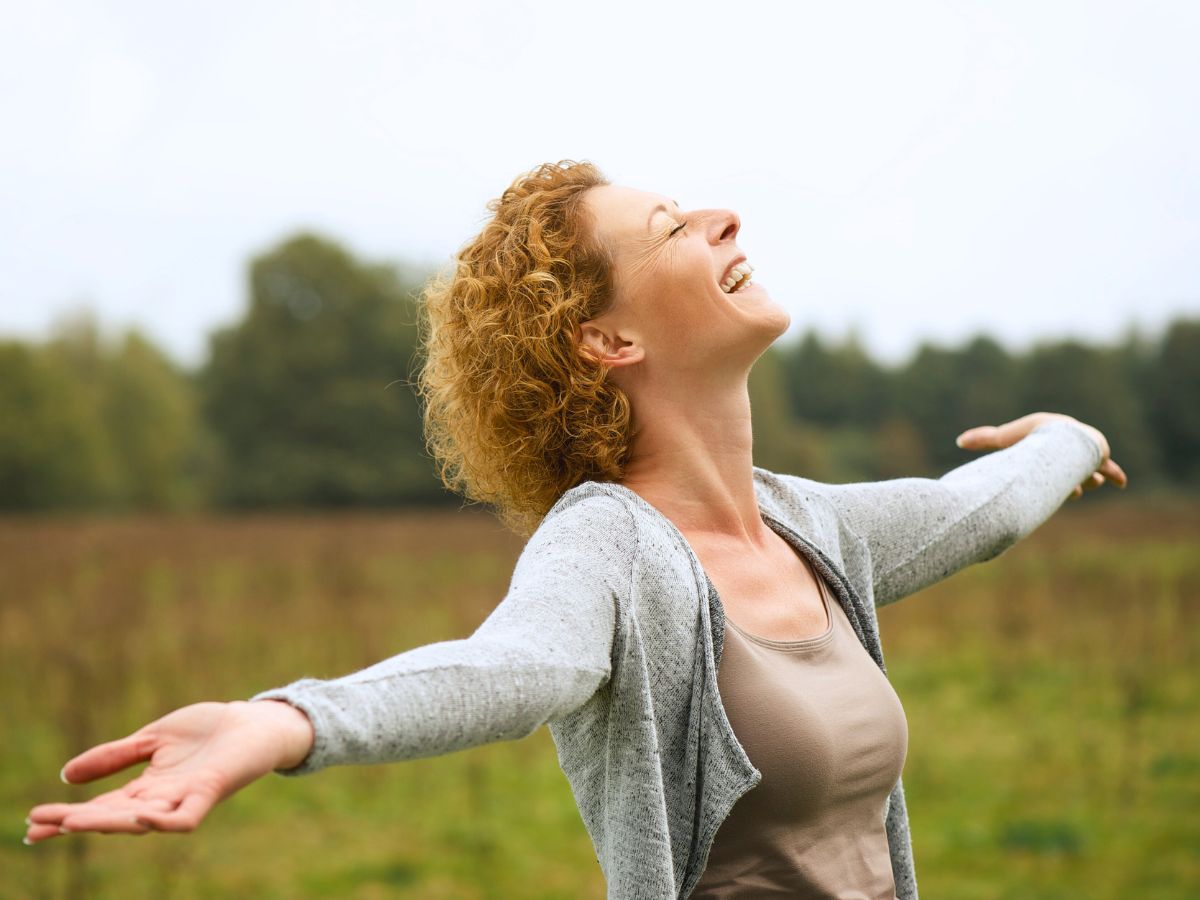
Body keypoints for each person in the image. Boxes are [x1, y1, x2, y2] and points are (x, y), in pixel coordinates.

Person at [24, 161, 1125, 900]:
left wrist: (1068, 437)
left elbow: (975, 508)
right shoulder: (611, 546)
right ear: (606, 339)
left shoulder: (809, 525)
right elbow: (511, 666)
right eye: (673, 231)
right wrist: (282, 723)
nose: (722, 219)